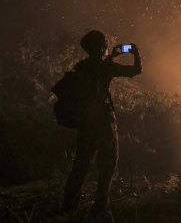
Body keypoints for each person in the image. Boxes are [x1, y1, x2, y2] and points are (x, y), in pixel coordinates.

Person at [61, 30, 142, 219]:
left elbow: (96, 70)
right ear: (101, 47)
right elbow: (136, 71)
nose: (108, 44)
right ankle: (100, 207)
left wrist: (109, 58)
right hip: (104, 124)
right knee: (108, 165)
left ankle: (67, 207)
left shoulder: (81, 66)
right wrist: (135, 53)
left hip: (85, 124)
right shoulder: (104, 68)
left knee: (80, 165)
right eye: (105, 42)